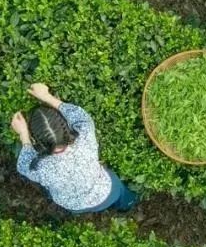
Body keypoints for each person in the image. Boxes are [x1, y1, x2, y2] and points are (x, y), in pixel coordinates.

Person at [11, 82, 139, 214]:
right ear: (65, 126)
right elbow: (79, 115)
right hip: (107, 193)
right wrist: (46, 96)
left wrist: (24, 135)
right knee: (122, 194)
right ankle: (127, 204)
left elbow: (23, 166)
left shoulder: (41, 167)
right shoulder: (84, 137)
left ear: (36, 141)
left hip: (74, 205)